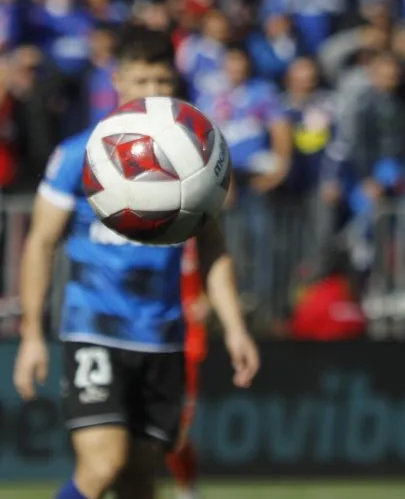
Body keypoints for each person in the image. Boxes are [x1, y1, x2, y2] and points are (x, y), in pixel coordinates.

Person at [12, 26, 261, 499]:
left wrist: (235, 328)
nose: (153, 93)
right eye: (142, 81)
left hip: (162, 337)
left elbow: (212, 249)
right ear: (118, 81)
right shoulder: (79, 155)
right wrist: (31, 337)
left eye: (162, 82)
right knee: (104, 465)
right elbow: (41, 243)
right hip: (93, 330)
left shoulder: (196, 155)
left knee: (140, 481)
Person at [165, 238, 206, 499]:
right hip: (144, 335)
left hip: (186, 345)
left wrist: (209, 299)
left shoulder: (194, 228)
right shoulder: (141, 223)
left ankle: (186, 488)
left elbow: (218, 263)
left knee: (176, 433)